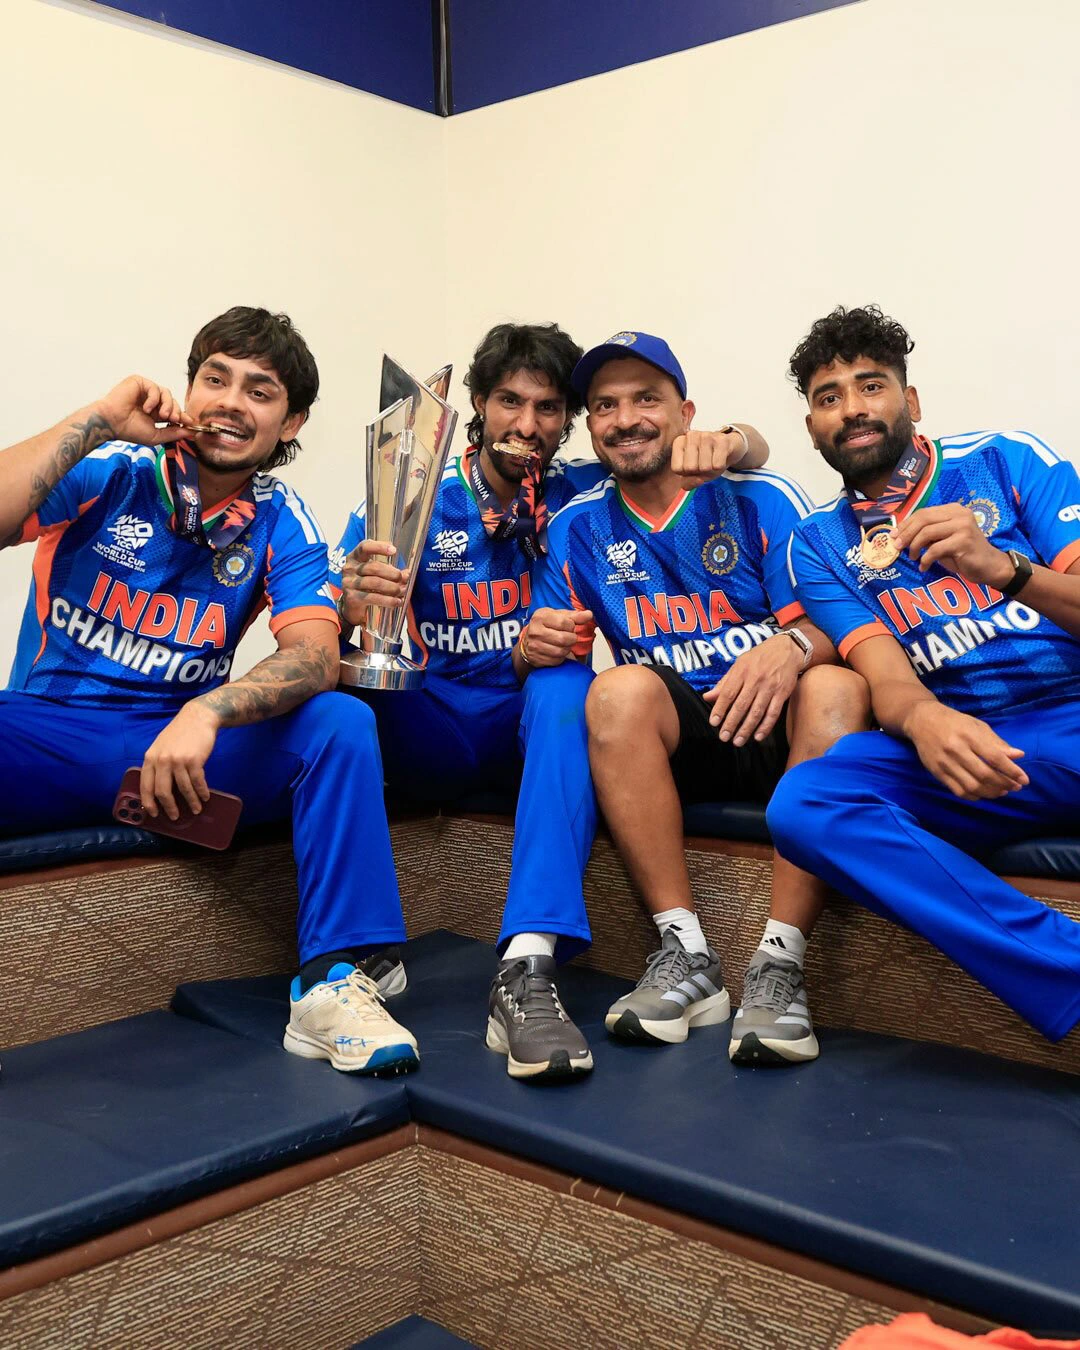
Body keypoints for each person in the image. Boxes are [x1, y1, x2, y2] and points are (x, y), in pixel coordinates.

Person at [335, 323, 766, 1081]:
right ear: (478, 403)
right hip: (428, 723)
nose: (526, 425)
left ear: (569, 422)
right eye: (509, 401)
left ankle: (526, 964)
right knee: (342, 698)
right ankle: (359, 941)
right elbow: (339, 617)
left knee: (572, 684)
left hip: (525, 726)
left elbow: (733, 454)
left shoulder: (576, 495)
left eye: (546, 409)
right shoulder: (412, 484)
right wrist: (350, 603)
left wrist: (735, 440)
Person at [0, 306, 416, 1077]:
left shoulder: (281, 519)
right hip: (56, 732)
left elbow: (315, 655)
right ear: (189, 388)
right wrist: (96, 420)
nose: (230, 400)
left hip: (181, 752)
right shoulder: (110, 471)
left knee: (337, 721)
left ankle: (331, 982)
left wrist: (206, 709)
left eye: (260, 391)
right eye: (214, 378)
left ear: (291, 421)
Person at [535, 330, 870, 1066]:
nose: (626, 419)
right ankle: (685, 952)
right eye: (605, 405)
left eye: (645, 399)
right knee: (614, 690)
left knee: (839, 684)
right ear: (590, 426)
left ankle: (780, 963)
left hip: (781, 730)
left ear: (686, 413)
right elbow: (551, 643)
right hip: (678, 742)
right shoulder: (575, 524)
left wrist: (790, 647)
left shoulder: (759, 497)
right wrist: (536, 641)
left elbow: (845, 620)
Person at [768, 303, 1080, 1045]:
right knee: (807, 800)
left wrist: (1005, 569)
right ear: (812, 428)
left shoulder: (1006, 459)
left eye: (869, 385)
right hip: (974, 748)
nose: (852, 409)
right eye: (828, 397)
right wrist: (924, 719)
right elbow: (888, 675)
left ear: (909, 402)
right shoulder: (814, 544)